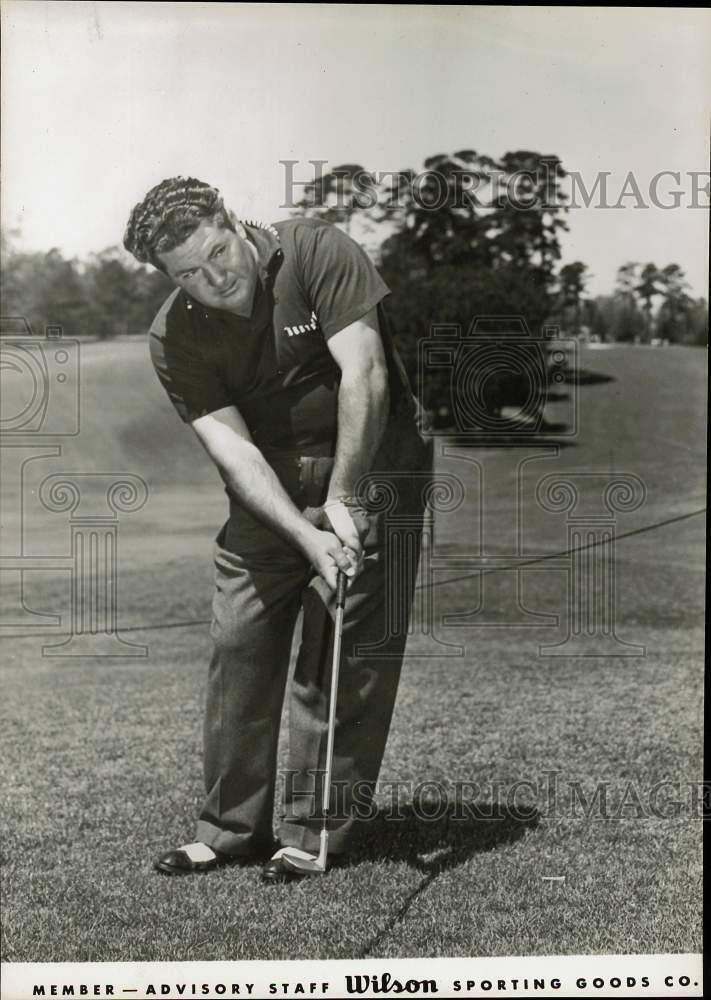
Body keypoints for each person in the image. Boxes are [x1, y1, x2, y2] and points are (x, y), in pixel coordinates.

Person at [123, 176, 432, 883]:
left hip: (376, 459)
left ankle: (315, 830)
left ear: (234, 221)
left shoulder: (317, 250)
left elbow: (368, 376)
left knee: (342, 650)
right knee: (239, 639)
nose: (213, 278)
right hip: (270, 481)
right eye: (187, 274)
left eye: (217, 252)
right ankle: (230, 831)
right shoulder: (174, 333)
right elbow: (232, 450)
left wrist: (346, 503)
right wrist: (303, 532)